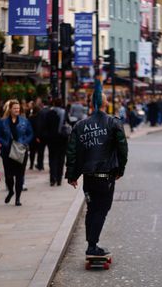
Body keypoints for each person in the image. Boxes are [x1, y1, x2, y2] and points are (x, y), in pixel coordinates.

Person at [65, 80, 128, 256]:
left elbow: (73, 152)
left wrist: (72, 175)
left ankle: (91, 244)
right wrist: (120, 169)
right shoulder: (114, 123)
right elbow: (123, 148)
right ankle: (92, 246)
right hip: (106, 177)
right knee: (102, 209)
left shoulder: (80, 126)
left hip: (89, 177)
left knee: (91, 209)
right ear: (105, 103)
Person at [0, 99, 33, 206]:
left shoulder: (24, 121)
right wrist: (5, 144)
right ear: (10, 109)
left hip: (21, 151)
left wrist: (24, 143)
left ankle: (18, 198)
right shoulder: (3, 122)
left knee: (19, 176)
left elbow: (30, 134)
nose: (17, 110)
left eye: (18, 108)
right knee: (8, 176)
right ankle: (11, 191)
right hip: (7, 152)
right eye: (15, 108)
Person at [46, 98, 68, 186]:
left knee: (52, 159)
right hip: (62, 139)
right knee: (61, 159)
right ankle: (59, 179)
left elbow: (46, 126)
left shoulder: (49, 113)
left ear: (54, 104)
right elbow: (68, 123)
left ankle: (52, 178)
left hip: (52, 140)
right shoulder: (64, 113)